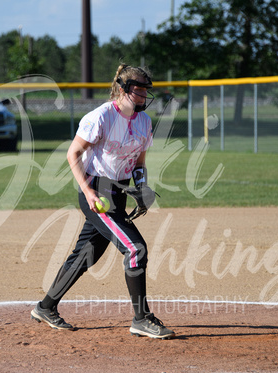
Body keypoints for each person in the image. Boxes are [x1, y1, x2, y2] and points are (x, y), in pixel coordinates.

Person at [30, 64, 175, 339]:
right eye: (138, 89)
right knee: (135, 249)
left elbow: (139, 162)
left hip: (117, 195)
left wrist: (141, 187)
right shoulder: (101, 117)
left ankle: (45, 306)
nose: (144, 95)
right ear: (122, 89)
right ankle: (141, 318)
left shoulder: (144, 122)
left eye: (146, 90)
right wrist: (88, 192)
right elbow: (73, 154)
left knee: (87, 253)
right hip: (97, 192)